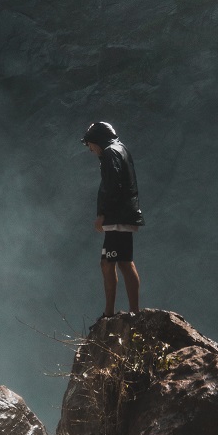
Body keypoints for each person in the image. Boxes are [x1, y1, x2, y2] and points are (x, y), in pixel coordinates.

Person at [81, 121, 145, 317]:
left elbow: (112, 185)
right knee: (124, 262)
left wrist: (102, 214)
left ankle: (109, 313)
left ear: (97, 140)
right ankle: (134, 312)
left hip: (117, 217)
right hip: (125, 214)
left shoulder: (110, 153)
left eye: (89, 144)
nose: (90, 149)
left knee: (108, 263)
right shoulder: (121, 149)